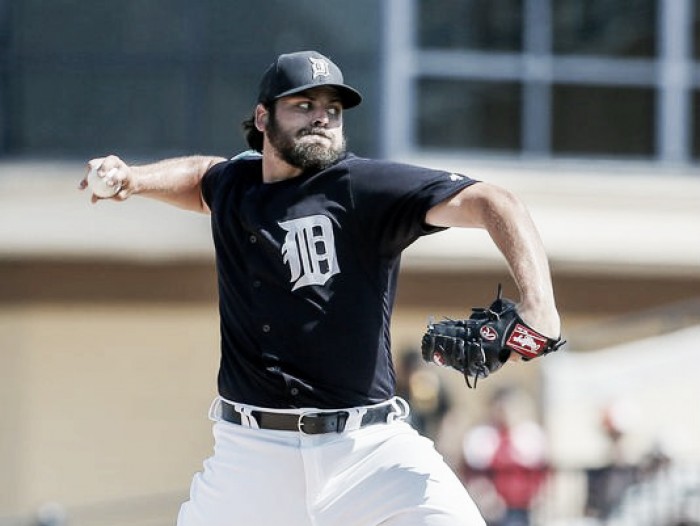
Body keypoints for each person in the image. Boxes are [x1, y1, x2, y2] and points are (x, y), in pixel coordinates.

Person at [79, 50, 561, 526]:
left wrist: (539, 304)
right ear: (263, 117)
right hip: (251, 457)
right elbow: (204, 176)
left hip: (370, 453)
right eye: (304, 106)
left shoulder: (363, 186)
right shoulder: (237, 184)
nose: (322, 119)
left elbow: (493, 201)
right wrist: (133, 179)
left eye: (332, 109)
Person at [460, 387, 549, 526]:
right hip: (490, 505)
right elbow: (473, 474)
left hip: (521, 506)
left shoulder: (530, 436)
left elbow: (541, 474)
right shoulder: (481, 437)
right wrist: (485, 497)